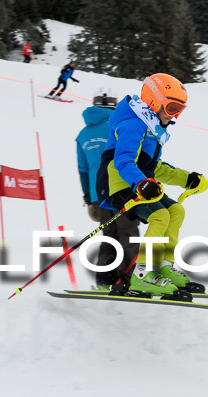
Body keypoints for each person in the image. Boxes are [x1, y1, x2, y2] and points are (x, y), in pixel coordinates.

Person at [96, 73, 207, 296]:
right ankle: (141, 275)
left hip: (140, 184)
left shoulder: (151, 128)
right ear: (155, 101)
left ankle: (164, 266)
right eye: (173, 108)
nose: (175, 116)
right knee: (160, 216)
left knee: (175, 210)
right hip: (119, 184)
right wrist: (140, 182)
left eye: (180, 110)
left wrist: (187, 179)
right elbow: (123, 160)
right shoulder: (133, 124)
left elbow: (154, 168)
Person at [77, 89, 140, 290]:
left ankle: (106, 280)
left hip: (99, 195)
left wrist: (89, 199)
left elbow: (83, 170)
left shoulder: (83, 135)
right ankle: (129, 280)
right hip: (121, 190)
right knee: (128, 234)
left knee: (110, 236)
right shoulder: (118, 126)